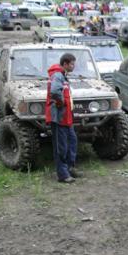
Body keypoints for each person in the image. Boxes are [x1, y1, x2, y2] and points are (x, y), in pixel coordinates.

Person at [45, 53, 78, 183]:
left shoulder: (63, 76)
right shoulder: (58, 76)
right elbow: (54, 92)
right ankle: (63, 174)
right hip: (60, 118)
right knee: (61, 147)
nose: (73, 66)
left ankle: (70, 168)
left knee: (72, 141)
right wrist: (61, 103)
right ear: (65, 64)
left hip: (67, 118)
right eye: (72, 64)